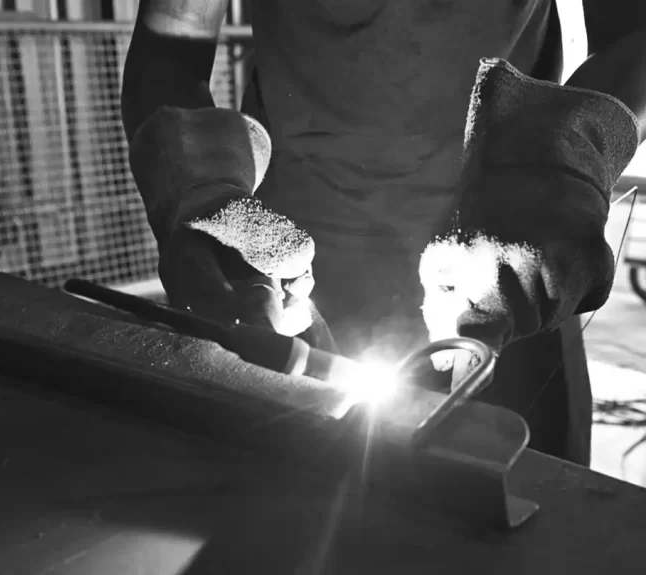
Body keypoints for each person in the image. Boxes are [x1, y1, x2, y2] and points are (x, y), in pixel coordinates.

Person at [121, 0, 645, 466]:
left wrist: (565, 167)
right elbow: (171, 46)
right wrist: (197, 185)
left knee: (531, 516)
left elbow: (633, 35)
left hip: (510, 267)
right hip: (286, 280)